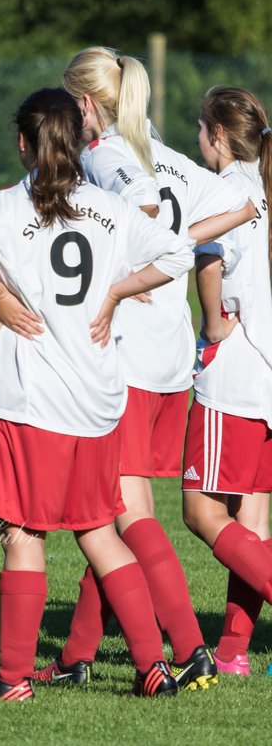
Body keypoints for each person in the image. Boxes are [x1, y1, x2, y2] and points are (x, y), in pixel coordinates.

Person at [0, 87, 192, 701]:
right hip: (97, 399)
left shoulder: (5, 206)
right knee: (101, 533)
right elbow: (178, 250)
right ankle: (151, 667)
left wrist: (1, 297)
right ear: (83, 140)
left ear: (23, 143)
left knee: (24, 535)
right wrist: (113, 293)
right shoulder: (109, 210)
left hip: (27, 401)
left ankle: (11, 681)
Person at [35, 48, 253, 689]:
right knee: (117, 508)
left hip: (125, 354)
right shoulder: (172, 157)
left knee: (124, 513)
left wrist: (121, 279)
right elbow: (237, 208)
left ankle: (188, 649)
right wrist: (177, 256)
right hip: (169, 356)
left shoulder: (107, 157)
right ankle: (76, 657)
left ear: (82, 105)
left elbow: (145, 212)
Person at [183, 86, 272, 675]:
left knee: (200, 511)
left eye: (199, 128)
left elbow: (208, 259)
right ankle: (234, 654)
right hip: (267, 373)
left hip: (236, 373)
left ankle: (235, 652)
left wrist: (213, 328)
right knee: (253, 522)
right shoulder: (263, 187)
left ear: (217, 134)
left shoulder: (229, 191)